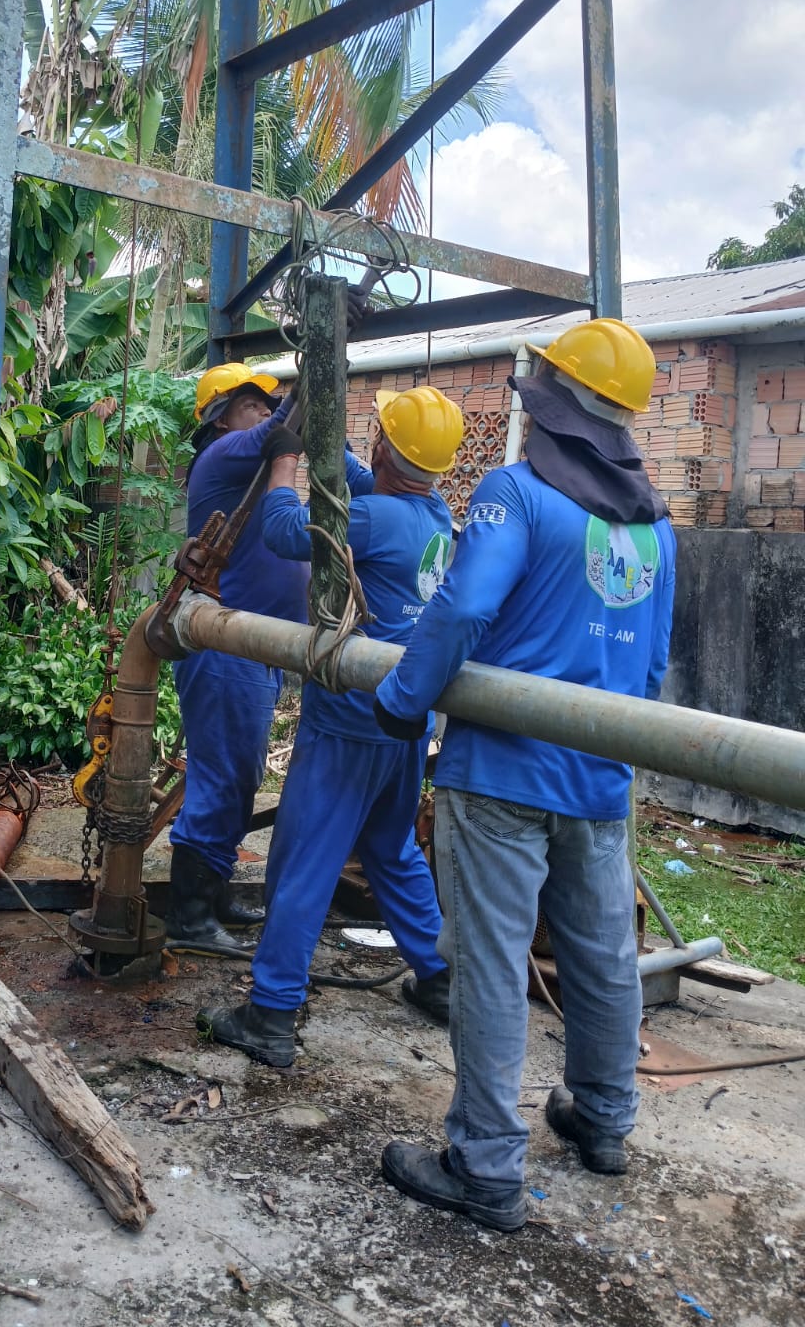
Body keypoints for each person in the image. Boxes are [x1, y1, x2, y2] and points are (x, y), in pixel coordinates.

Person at [372, 318, 676, 1233]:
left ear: (549, 404)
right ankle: (605, 1120)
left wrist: (402, 696)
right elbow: (652, 669)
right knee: (602, 957)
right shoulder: (657, 529)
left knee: (494, 966)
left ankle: (485, 1164)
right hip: (600, 780)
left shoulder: (514, 494)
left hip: (501, 773)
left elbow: (464, 605)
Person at [197, 386, 464, 1066]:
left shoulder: (372, 518)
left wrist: (285, 458)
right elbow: (365, 477)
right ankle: (440, 979)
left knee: (301, 862)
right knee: (391, 848)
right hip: (405, 717)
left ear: (384, 445)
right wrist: (319, 429)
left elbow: (286, 531)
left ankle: (272, 1012)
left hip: (347, 719)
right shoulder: (433, 515)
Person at [167, 363, 371, 952]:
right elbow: (286, 427)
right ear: (219, 415)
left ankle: (214, 893)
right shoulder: (225, 453)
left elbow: (286, 429)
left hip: (254, 644)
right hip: (225, 641)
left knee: (240, 774)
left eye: (265, 403)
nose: (263, 411)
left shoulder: (249, 463)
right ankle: (188, 918)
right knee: (223, 777)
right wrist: (320, 360)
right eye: (251, 403)